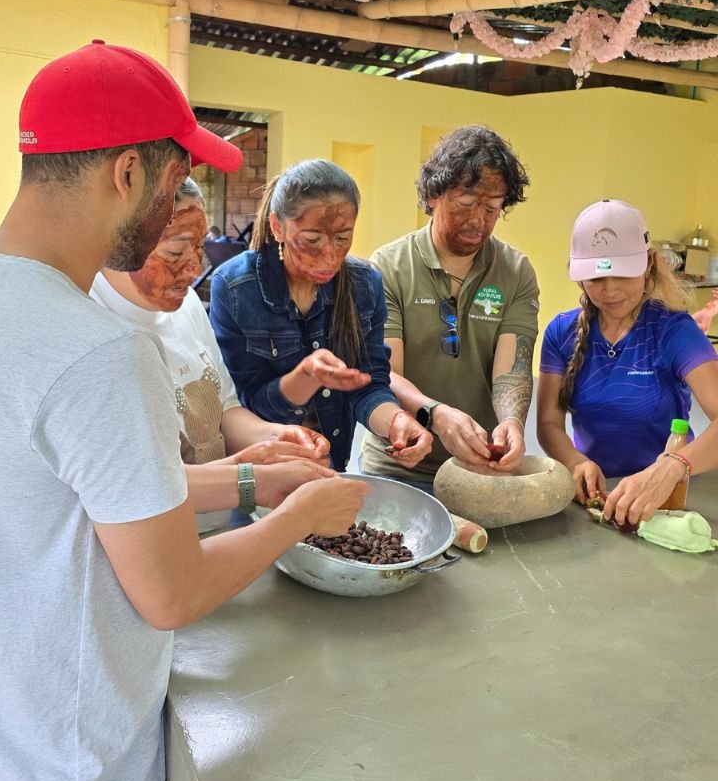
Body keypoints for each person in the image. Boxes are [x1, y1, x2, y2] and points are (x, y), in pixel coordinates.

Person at [0, 41, 364, 781]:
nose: (175, 210)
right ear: (127, 173)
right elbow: (170, 591)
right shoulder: (96, 351)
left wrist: (250, 480)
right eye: (171, 185)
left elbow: (67, 500)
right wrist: (300, 514)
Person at [91, 177, 331, 532]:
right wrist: (251, 481)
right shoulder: (93, 328)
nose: (193, 269)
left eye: (200, 247)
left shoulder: (185, 303)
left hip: (216, 529)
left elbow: (224, 409)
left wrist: (273, 438)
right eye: (175, 251)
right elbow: (132, 486)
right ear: (121, 241)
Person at [209, 158, 433, 487]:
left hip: (332, 462)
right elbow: (246, 402)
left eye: (343, 238)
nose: (329, 257)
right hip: (264, 467)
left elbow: (369, 386)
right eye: (312, 240)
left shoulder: (364, 284)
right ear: (277, 227)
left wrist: (397, 421)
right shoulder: (235, 287)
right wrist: (307, 376)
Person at [360, 125, 539, 487]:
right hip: (397, 467)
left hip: (475, 469)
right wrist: (435, 414)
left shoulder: (516, 271)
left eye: (492, 208)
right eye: (467, 203)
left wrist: (510, 424)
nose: (478, 221)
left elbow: (513, 371)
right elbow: (384, 372)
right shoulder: (388, 267)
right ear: (433, 195)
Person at [537, 199, 718, 527]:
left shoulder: (673, 331)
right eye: (595, 279)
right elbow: (549, 423)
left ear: (648, 264)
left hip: (670, 496)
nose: (609, 291)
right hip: (597, 497)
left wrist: (672, 466)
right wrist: (575, 462)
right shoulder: (561, 333)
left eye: (623, 274)